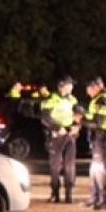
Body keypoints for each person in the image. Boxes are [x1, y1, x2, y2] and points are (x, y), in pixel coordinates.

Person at [40, 76, 81, 204]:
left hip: (70, 135)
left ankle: (69, 195)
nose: (72, 87)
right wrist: (58, 127)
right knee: (55, 166)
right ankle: (55, 194)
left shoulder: (73, 99)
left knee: (70, 166)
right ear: (62, 85)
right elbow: (45, 118)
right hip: (56, 135)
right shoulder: (51, 99)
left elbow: (78, 116)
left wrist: (77, 127)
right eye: (70, 85)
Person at [83, 78, 106, 210]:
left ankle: (105, 199)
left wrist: (81, 121)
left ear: (95, 87)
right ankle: (95, 196)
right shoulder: (99, 98)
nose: (88, 93)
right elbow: (93, 117)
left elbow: (98, 121)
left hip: (104, 135)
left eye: (89, 89)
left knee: (102, 168)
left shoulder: (104, 99)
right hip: (100, 136)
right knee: (95, 168)